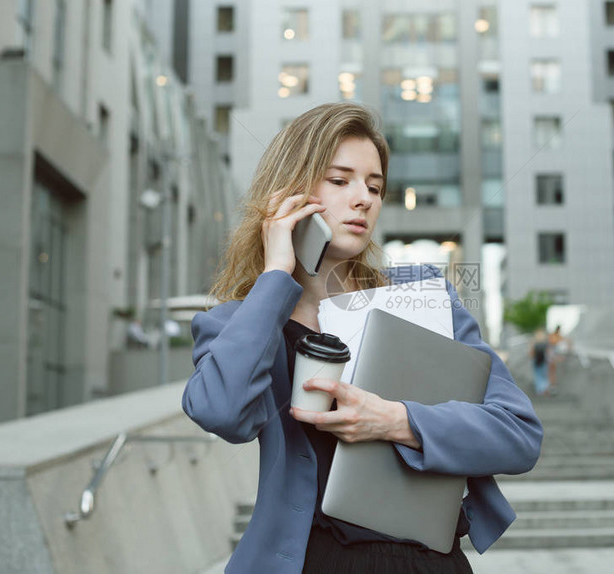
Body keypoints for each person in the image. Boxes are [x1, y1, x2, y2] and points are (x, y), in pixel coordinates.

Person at [181, 102, 543, 574]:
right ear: (290, 194)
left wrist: (395, 421)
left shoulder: (423, 296)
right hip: (312, 561)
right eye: (339, 180)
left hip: (425, 562)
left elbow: (519, 433)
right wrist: (275, 276)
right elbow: (221, 413)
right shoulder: (239, 322)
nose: (364, 198)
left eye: (374, 186)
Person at [529, 328, 549, 395]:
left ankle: (540, 389)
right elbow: (547, 352)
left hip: (536, 359)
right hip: (543, 359)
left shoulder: (534, 342)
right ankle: (544, 388)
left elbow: (531, 352)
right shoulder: (544, 342)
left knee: (538, 375)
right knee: (544, 374)